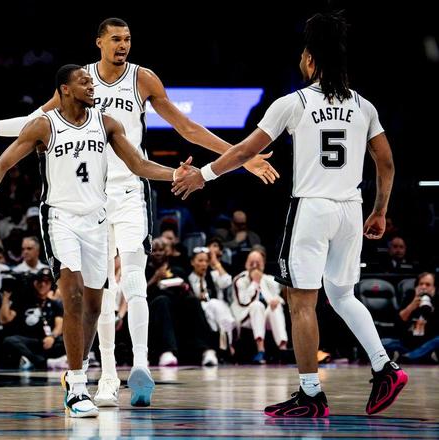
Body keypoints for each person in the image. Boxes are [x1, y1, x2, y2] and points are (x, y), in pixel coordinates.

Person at [0, 17, 279, 408]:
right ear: (98, 42)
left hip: (133, 187)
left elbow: (186, 128)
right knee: (102, 290)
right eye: (115, 39)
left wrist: (242, 157)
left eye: (128, 39)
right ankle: (107, 376)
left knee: (133, 278)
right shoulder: (80, 82)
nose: (123, 45)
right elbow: (31, 124)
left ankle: (141, 365)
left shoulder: (142, 78)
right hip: (92, 198)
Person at [173, 11, 406, 417]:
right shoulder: (363, 106)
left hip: (312, 208)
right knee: (342, 294)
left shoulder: (294, 103)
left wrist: (204, 175)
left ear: (311, 59)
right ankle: (385, 367)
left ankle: (311, 393)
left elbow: (244, 151)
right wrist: (380, 211)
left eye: (302, 53)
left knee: (301, 301)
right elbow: (385, 163)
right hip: (351, 210)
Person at [0, 64, 194, 417]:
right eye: (84, 82)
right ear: (65, 89)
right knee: (72, 296)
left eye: (92, 82)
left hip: (96, 220)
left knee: (94, 305)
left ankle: (81, 370)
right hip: (60, 218)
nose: (92, 86)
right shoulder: (44, 125)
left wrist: (174, 174)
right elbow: (3, 164)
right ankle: (77, 387)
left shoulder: (106, 124)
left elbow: (138, 165)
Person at [231, 250, 288, 363]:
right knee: (257, 306)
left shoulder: (268, 279)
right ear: (246, 264)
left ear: (263, 265)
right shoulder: (239, 280)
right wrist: (255, 283)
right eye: (251, 263)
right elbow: (244, 302)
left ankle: (283, 348)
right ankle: (260, 350)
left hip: (263, 317)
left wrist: (277, 300)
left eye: (258, 263)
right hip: (245, 317)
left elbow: (278, 296)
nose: (254, 266)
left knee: (275, 308)